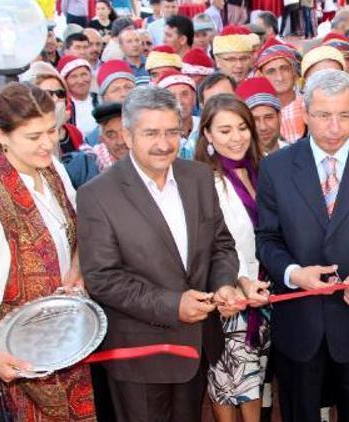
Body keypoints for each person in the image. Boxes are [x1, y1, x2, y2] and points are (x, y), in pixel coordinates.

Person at [78, 85, 242, 422]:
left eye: (172, 132)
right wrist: (173, 305)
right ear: (127, 134)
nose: (164, 143)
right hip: (139, 355)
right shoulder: (97, 195)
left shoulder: (196, 176)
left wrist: (224, 284)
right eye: (151, 133)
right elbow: (103, 279)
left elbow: (221, 244)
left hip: (196, 344)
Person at [255, 69, 349, 422]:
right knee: (299, 411)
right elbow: (267, 239)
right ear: (305, 113)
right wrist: (294, 274)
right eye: (324, 115)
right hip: (298, 322)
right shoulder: (276, 168)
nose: (334, 127)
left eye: (344, 115)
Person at [0, 83, 94, 420]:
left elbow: (79, 229)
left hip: (70, 332)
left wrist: (77, 266)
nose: (48, 143)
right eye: (34, 137)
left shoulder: (52, 170)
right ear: (2, 136)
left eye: (51, 130)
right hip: (31, 351)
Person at [191, 93, 272, 422]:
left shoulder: (261, 172)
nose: (236, 137)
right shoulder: (202, 181)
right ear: (207, 135)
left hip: (264, 294)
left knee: (253, 383)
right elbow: (210, 246)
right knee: (230, 386)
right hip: (228, 297)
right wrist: (236, 283)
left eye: (242, 127)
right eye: (224, 130)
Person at [255, 38, 303, 144]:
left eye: (284, 69)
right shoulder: (256, 112)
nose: (279, 77)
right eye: (271, 71)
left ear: (294, 72)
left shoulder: (309, 105)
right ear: (261, 76)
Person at [155, 70, 200, 160]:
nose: (179, 101)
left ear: (194, 98)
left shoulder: (205, 126)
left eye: (185, 94)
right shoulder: (155, 134)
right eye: (171, 96)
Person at [236, 77, 287, 155]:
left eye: (268, 117)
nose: (263, 127)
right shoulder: (240, 164)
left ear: (279, 117)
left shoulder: (298, 154)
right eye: (255, 119)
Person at [58, 55, 98, 136]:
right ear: (65, 82)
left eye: (84, 74)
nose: (80, 81)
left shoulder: (100, 100)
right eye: (74, 77)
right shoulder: (63, 107)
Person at [88, 102, 129, 171]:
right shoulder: (90, 167)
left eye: (124, 133)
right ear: (102, 139)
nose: (120, 142)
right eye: (111, 135)